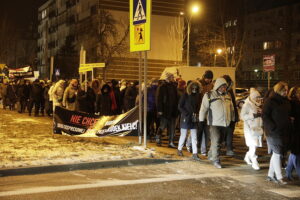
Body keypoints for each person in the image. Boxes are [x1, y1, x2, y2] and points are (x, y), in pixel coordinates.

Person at [199, 77, 235, 168]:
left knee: (219, 141)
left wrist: (232, 119)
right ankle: (216, 160)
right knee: (216, 141)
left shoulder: (228, 95)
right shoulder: (209, 95)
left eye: (225, 87)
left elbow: (231, 109)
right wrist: (201, 120)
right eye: (222, 87)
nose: (224, 88)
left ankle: (211, 154)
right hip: (214, 123)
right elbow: (203, 109)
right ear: (218, 86)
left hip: (225, 123)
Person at [263, 81, 291, 185]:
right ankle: (279, 177)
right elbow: (265, 115)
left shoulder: (285, 101)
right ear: (279, 90)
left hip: (283, 131)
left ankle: (270, 174)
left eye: (287, 90)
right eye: (284, 90)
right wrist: (272, 127)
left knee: (276, 153)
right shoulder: (270, 101)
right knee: (277, 153)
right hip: (273, 132)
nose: (286, 92)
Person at [177, 80, 202, 161]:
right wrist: (186, 114)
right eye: (193, 88)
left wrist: (197, 113)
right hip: (186, 117)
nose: (194, 89)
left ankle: (195, 153)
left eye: (196, 88)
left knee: (194, 136)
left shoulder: (198, 95)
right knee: (183, 135)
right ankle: (179, 149)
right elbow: (180, 106)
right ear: (190, 88)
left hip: (193, 118)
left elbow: (198, 106)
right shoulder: (185, 95)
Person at [240, 88, 263, 170]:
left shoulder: (258, 105)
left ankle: (247, 157)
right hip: (250, 128)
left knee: (254, 145)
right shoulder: (247, 104)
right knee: (253, 145)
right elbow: (242, 116)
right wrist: (253, 116)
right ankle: (254, 161)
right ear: (253, 97)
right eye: (257, 97)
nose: (259, 99)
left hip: (257, 128)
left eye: (259, 97)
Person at [156, 72, 179, 148]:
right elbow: (159, 99)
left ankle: (171, 142)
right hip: (165, 110)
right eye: (172, 77)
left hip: (173, 110)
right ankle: (158, 138)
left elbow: (176, 98)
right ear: (168, 78)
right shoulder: (162, 87)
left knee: (172, 127)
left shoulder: (174, 86)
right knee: (163, 125)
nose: (173, 78)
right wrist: (160, 110)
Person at [222, 75, 239, 156]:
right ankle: (227, 147)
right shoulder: (222, 91)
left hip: (230, 115)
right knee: (226, 132)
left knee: (229, 132)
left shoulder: (229, 91)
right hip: (223, 116)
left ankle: (229, 148)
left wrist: (236, 116)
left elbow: (233, 104)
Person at [286, 87, 300, 180]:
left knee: (295, 153)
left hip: (297, 130)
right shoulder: (293, 103)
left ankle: (288, 171)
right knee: (297, 153)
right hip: (295, 131)